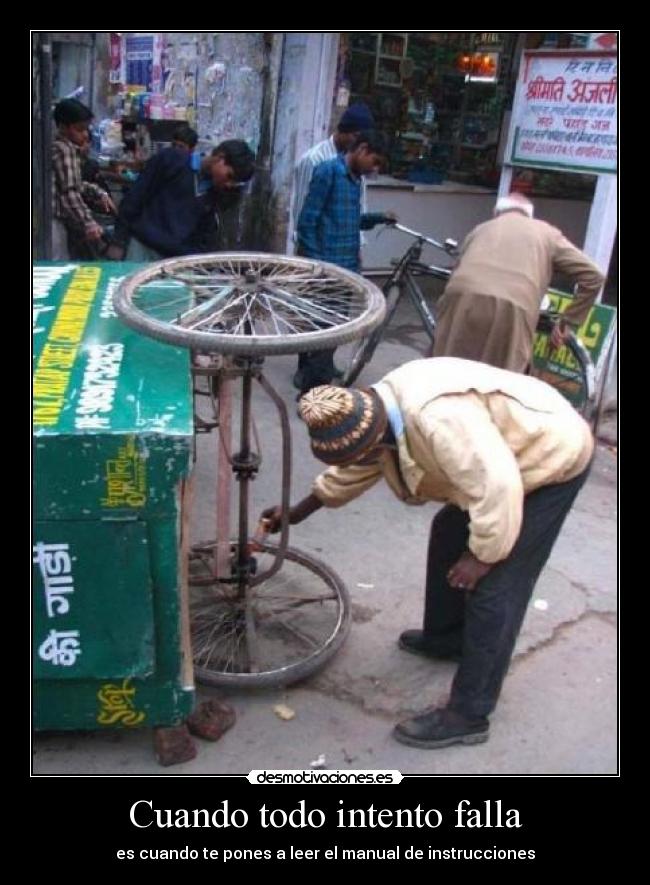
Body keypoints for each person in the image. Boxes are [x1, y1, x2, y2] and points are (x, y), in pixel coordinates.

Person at [260, 357, 594, 749]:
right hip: (503, 452)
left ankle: (469, 713)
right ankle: (448, 637)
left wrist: (482, 558)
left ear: (378, 435)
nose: (366, 460)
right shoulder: (374, 410)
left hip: (550, 455)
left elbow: (497, 488)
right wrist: (299, 510)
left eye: (368, 452)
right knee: (449, 530)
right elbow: (360, 463)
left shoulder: (440, 424)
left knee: (497, 586)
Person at [432, 192, 605, 368]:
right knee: (505, 378)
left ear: (497, 213)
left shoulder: (480, 229)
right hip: (515, 306)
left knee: (447, 368)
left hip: (460, 298)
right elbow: (594, 277)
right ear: (529, 215)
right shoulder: (547, 233)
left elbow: (457, 269)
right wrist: (567, 321)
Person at [294, 130, 394, 395]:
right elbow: (307, 223)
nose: (374, 169)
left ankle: (316, 384)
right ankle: (312, 395)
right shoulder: (327, 172)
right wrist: (320, 266)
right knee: (324, 333)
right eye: (374, 161)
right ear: (361, 149)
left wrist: (378, 217)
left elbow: (352, 221)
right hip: (327, 270)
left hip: (347, 270)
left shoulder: (354, 181)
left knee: (335, 332)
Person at [107, 138, 255, 261]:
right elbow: (134, 199)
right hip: (142, 248)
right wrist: (118, 241)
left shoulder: (216, 193)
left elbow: (204, 234)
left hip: (176, 261)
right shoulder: (171, 160)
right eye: (229, 176)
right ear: (220, 158)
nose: (229, 184)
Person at [292, 102, 375, 244]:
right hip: (317, 252)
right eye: (357, 138)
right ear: (346, 132)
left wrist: (358, 246)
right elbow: (302, 218)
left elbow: (359, 211)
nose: (360, 147)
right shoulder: (313, 160)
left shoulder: (356, 162)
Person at [51, 98, 116, 260]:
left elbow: (75, 183)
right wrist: (88, 222)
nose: (85, 135)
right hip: (55, 221)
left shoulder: (59, 147)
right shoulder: (65, 150)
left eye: (86, 130)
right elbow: (69, 193)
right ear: (63, 127)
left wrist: (98, 193)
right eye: (79, 130)